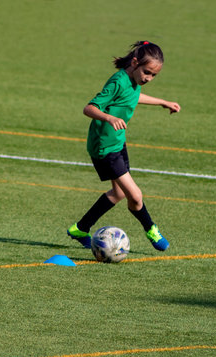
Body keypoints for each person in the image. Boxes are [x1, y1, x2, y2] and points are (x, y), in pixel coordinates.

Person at [67, 41, 181, 251]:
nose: (148, 78)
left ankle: (80, 229)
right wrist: (109, 118)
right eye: (147, 72)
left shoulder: (134, 80)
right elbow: (89, 108)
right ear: (135, 62)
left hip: (117, 143)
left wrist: (163, 102)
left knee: (118, 193)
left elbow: (133, 96)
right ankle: (151, 230)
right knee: (135, 196)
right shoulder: (118, 81)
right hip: (104, 147)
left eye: (154, 75)